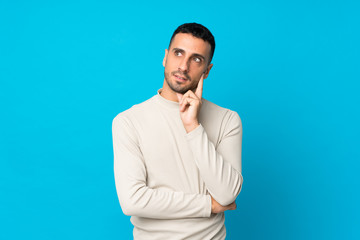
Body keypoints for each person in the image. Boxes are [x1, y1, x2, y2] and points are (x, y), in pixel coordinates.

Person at [112, 22, 243, 240]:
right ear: (166, 57)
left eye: (196, 59)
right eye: (178, 53)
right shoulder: (128, 121)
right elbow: (132, 200)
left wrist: (193, 126)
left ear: (207, 70)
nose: (183, 66)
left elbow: (227, 193)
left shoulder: (227, 120)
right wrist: (208, 205)